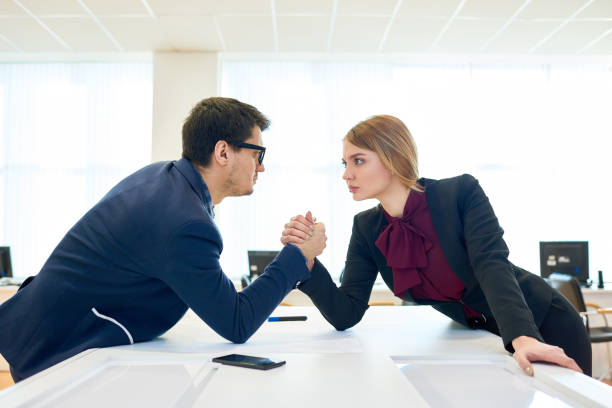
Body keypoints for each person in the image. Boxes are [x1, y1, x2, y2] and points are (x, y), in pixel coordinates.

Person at [0, 97, 326, 382]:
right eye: (258, 153)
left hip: (44, 334)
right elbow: (237, 323)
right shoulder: (182, 221)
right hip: (54, 354)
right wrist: (298, 255)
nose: (262, 167)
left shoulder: (168, 181)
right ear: (223, 152)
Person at [281, 115, 590, 377]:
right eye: (345, 163)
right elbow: (345, 313)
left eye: (358, 160)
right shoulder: (366, 227)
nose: (346, 174)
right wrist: (305, 259)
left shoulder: (459, 193)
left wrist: (523, 337)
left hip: (541, 323)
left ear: (393, 158)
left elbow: (491, 264)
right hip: (483, 340)